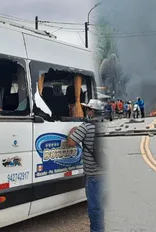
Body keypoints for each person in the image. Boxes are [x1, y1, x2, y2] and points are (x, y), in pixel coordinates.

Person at [67, 99, 104, 232]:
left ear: (92, 111)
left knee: (95, 208)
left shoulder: (86, 126)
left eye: (88, 109)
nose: (87, 111)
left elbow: (71, 142)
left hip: (94, 175)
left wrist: (72, 132)